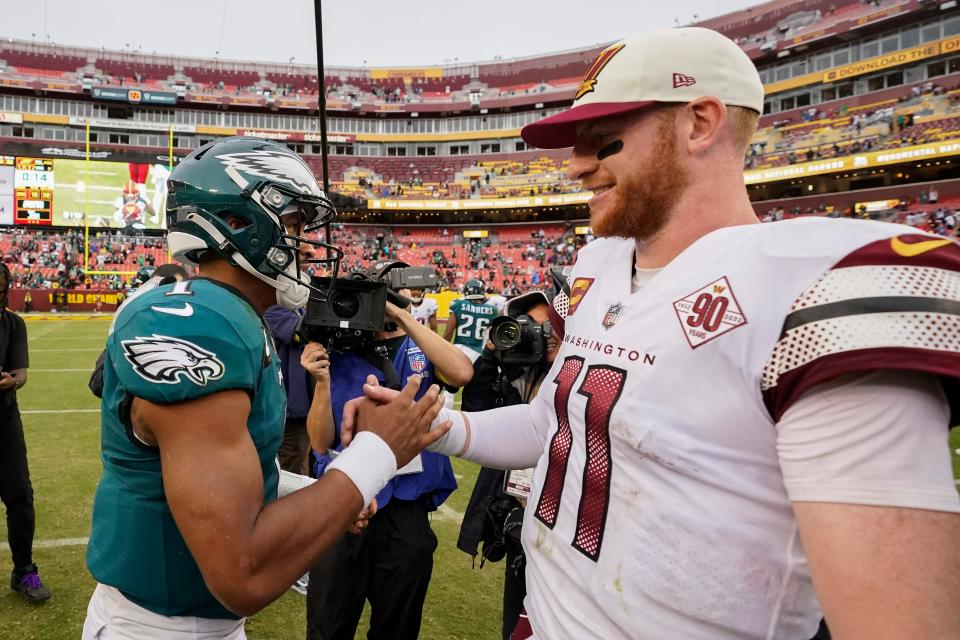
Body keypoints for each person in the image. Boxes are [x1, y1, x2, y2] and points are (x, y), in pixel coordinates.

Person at [344, 28, 960, 640]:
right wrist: (431, 426)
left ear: (699, 123)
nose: (578, 164)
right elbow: (553, 426)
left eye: (601, 140)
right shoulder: (598, 270)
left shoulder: (808, 284)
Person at [82, 137, 450, 639]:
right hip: (159, 626)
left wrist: (321, 495)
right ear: (238, 223)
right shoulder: (198, 324)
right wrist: (377, 453)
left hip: (197, 620)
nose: (305, 242)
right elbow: (242, 569)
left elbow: (236, 478)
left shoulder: (237, 317)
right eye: (295, 224)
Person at [305, 269, 474, 640]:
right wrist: (321, 382)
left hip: (406, 509)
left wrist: (401, 315)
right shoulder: (334, 350)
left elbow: (461, 372)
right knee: (327, 626)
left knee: (397, 629)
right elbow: (320, 443)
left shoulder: (418, 345)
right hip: (344, 504)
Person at [457, 290, 562, 640]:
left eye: (547, 326)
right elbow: (477, 411)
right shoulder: (517, 375)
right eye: (528, 326)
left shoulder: (579, 379)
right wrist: (490, 357)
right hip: (519, 524)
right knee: (515, 623)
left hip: (564, 531)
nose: (538, 334)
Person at [0, 262, 50, 603]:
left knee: (20, 495)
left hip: (4, 420)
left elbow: (20, 374)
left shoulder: (13, 323)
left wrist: (10, 381)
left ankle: (24, 570)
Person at [443, 278, 498, 363]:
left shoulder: (458, 304)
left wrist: (443, 349)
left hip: (459, 348)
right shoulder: (493, 310)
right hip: (479, 352)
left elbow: (449, 332)